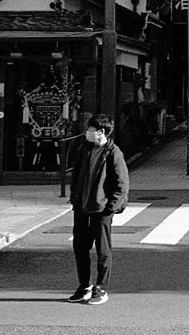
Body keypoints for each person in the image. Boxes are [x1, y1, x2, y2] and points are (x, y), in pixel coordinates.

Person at [66, 114, 129, 306]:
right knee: (80, 247)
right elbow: (76, 175)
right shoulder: (84, 148)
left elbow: (122, 184)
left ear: (101, 132)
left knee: (103, 250)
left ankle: (101, 288)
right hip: (82, 207)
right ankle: (84, 286)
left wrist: (110, 208)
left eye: (91, 129)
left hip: (101, 209)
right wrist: (75, 198)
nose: (88, 132)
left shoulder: (113, 153)